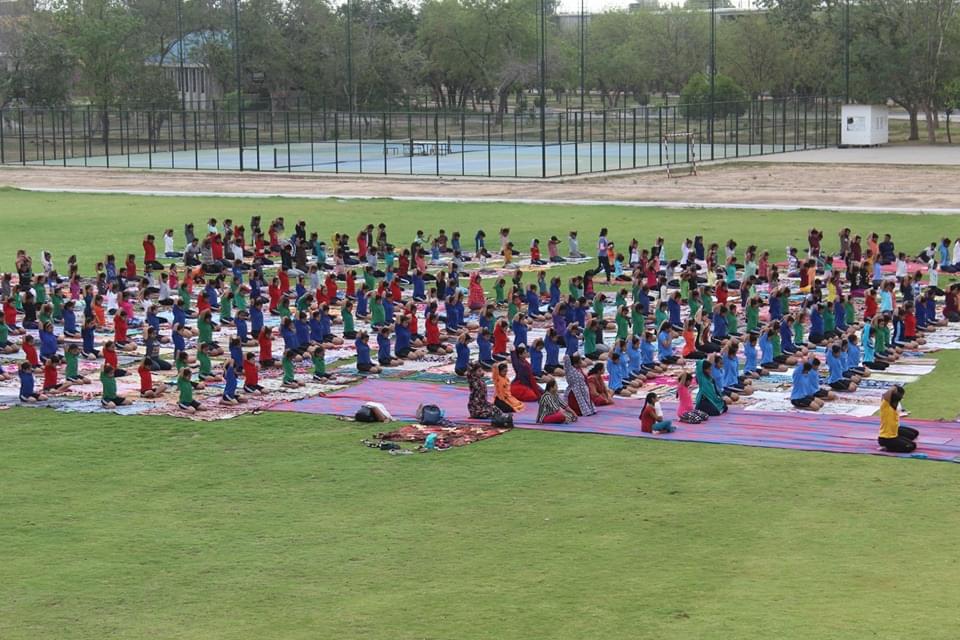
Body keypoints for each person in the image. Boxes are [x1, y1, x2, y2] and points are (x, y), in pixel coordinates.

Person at [878, 386, 919, 453]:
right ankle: (887, 447)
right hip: (886, 439)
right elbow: (884, 396)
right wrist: (892, 389)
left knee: (913, 443)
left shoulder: (895, 406)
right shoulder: (886, 406)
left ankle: (893, 444)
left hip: (894, 435)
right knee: (910, 447)